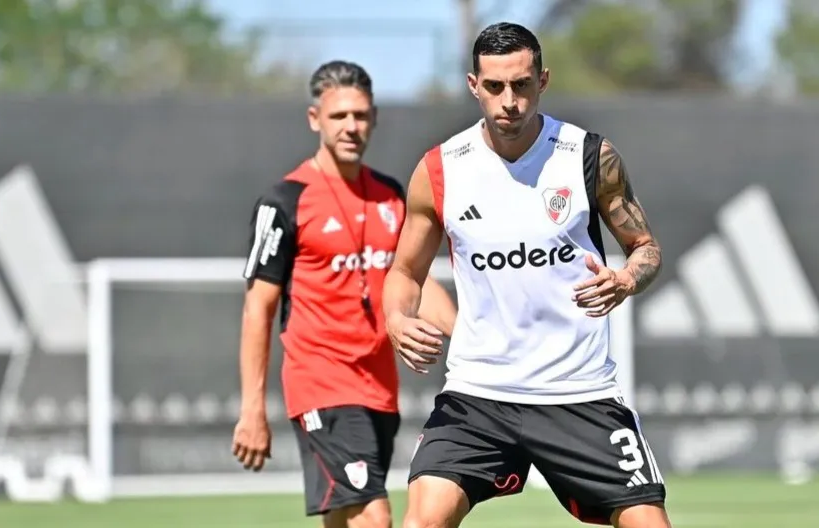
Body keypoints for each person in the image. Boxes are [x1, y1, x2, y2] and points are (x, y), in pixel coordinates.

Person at [382, 22, 671, 528]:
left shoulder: (589, 157)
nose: (509, 101)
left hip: (579, 392)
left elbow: (645, 249)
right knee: (421, 522)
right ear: (474, 85)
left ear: (543, 81)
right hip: (479, 394)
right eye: (494, 87)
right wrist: (396, 318)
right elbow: (405, 273)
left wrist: (626, 280)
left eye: (521, 85)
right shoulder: (439, 171)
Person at [232, 60, 457, 528]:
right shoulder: (285, 202)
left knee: (344, 515)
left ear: (373, 118)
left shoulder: (392, 195)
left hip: (379, 387)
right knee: (374, 518)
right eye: (339, 116)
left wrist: (472, 343)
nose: (351, 126)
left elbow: (416, 282)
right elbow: (259, 308)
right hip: (321, 383)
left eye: (360, 115)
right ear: (315, 119)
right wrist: (252, 408)